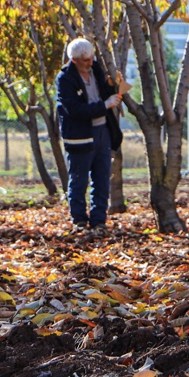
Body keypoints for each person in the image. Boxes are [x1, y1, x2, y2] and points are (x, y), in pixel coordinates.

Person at [56, 38, 124, 235]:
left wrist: (115, 84)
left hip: (103, 132)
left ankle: (99, 221)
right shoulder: (65, 78)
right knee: (78, 180)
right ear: (74, 60)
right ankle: (79, 220)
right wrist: (105, 105)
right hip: (79, 137)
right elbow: (75, 109)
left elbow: (108, 94)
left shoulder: (96, 69)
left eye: (91, 58)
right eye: (85, 60)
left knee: (102, 179)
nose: (89, 63)